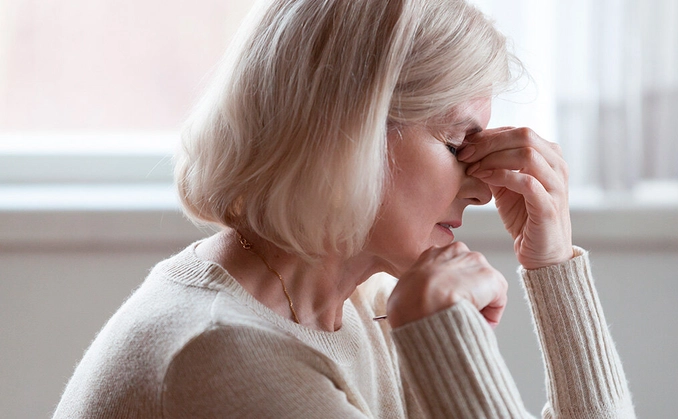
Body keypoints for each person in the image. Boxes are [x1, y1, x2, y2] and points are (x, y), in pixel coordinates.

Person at [54, 0, 635, 417]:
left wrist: (553, 264)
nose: (483, 190)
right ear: (350, 135)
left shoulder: (363, 305)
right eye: (459, 143)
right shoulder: (225, 355)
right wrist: (441, 339)